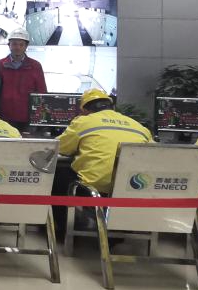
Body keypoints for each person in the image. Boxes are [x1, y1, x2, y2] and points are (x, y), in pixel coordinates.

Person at [55, 88, 152, 239]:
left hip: (95, 189)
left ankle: (64, 231)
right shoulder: (139, 127)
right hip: (133, 187)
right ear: (112, 106)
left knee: (58, 176)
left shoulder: (83, 121)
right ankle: (117, 232)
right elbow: (155, 154)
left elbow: (60, 148)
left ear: (84, 110)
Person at [0, 28, 47, 130]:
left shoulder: (35, 66)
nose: (17, 47)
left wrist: (41, 118)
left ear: (26, 46)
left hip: (28, 118)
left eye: (21, 44)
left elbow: (42, 92)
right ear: (9, 45)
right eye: (14, 44)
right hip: (4, 117)